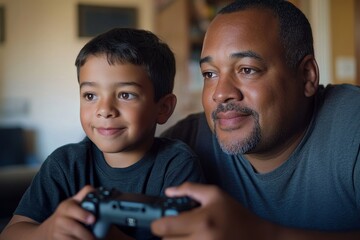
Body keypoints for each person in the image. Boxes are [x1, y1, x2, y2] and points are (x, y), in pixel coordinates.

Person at [152, 0, 360, 239]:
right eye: (210, 74)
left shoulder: (353, 126)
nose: (220, 93)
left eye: (247, 69)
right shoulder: (184, 144)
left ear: (306, 76)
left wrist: (260, 234)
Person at [0, 28, 204, 240]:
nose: (104, 109)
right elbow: (11, 233)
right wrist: (46, 232)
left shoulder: (177, 165)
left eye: (126, 95)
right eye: (90, 95)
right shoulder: (64, 164)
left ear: (163, 108)